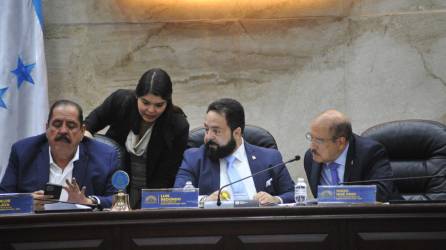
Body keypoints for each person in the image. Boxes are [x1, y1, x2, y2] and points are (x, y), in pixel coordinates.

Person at [84, 68, 189, 208]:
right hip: (114, 186)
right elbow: (91, 122)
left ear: (167, 102)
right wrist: (86, 137)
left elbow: (164, 177)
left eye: (159, 105)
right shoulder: (121, 100)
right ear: (136, 96)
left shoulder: (178, 126)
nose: (151, 110)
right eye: (145, 103)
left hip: (153, 190)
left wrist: (142, 208)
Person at [174, 98, 295, 205]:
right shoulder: (194, 158)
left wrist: (276, 199)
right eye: (206, 129)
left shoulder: (270, 158)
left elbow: (293, 194)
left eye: (216, 131)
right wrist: (204, 201)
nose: (208, 137)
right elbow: (177, 197)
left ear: (237, 133)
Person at [0, 100, 118, 208]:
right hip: (37, 227)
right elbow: (3, 199)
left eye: (71, 126)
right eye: (57, 124)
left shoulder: (105, 156)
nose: (63, 131)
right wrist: (26, 201)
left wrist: (88, 201)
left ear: (82, 131)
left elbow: (118, 200)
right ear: (47, 128)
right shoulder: (23, 152)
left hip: (82, 227)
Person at [303, 109, 398, 202]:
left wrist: (338, 195)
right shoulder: (311, 158)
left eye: (319, 141)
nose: (312, 147)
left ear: (340, 142)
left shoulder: (370, 152)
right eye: (311, 137)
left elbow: (381, 193)